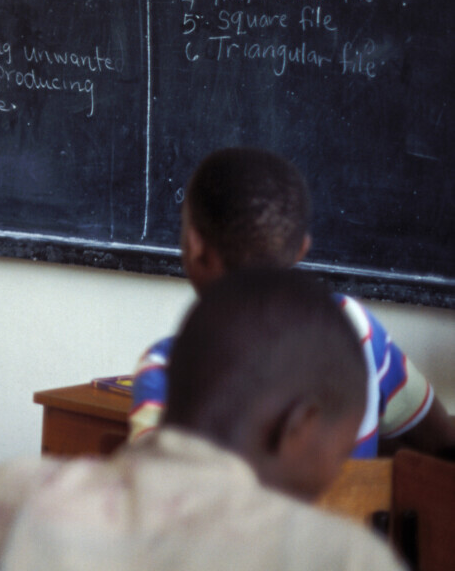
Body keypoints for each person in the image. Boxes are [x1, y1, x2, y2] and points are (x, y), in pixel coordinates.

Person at [0, 269, 406, 571]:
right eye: (340, 453)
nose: (333, 477)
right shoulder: (344, 560)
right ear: (299, 425)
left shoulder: (16, 498)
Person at [129, 147, 455, 459]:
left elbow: (154, 490)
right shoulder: (355, 327)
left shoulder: (170, 369)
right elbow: (442, 440)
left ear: (193, 244)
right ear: (301, 249)